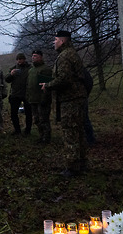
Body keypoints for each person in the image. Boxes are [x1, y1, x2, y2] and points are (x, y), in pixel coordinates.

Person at [42, 30, 88, 177]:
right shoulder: (72, 53)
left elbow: (64, 79)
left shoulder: (65, 56)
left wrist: (48, 86)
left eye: (55, 40)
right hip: (77, 99)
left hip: (70, 101)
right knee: (78, 131)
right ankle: (81, 163)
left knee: (70, 133)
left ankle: (72, 167)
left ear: (62, 41)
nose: (54, 43)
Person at [27, 49, 54, 144]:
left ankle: (46, 138)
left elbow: (47, 86)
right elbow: (29, 85)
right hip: (33, 99)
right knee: (37, 120)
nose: (33, 58)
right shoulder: (31, 70)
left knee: (44, 119)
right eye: (33, 56)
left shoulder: (45, 69)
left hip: (42, 100)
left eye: (36, 56)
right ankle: (41, 136)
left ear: (41, 57)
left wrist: (44, 99)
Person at [5, 52, 33, 136]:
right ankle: (17, 130)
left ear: (24, 59)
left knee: (28, 113)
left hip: (26, 94)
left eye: (20, 59)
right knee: (13, 113)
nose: (19, 61)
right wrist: (11, 74)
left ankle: (28, 131)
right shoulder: (13, 68)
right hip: (15, 94)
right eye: (17, 59)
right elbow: (7, 79)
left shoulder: (30, 68)